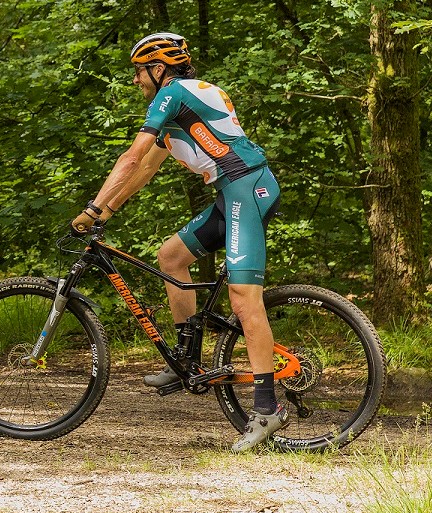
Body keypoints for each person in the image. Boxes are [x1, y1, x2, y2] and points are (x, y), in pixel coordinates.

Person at [71, 33, 285, 453]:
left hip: (247, 188)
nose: (136, 80)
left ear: (159, 68)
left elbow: (130, 158)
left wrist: (93, 208)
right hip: (234, 190)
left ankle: (266, 410)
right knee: (171, 257)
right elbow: (145, 169)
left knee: (244, 300)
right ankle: (187, 358)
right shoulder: (182, 106)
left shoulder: (172, 96)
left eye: (138, 70)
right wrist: (108, 212)